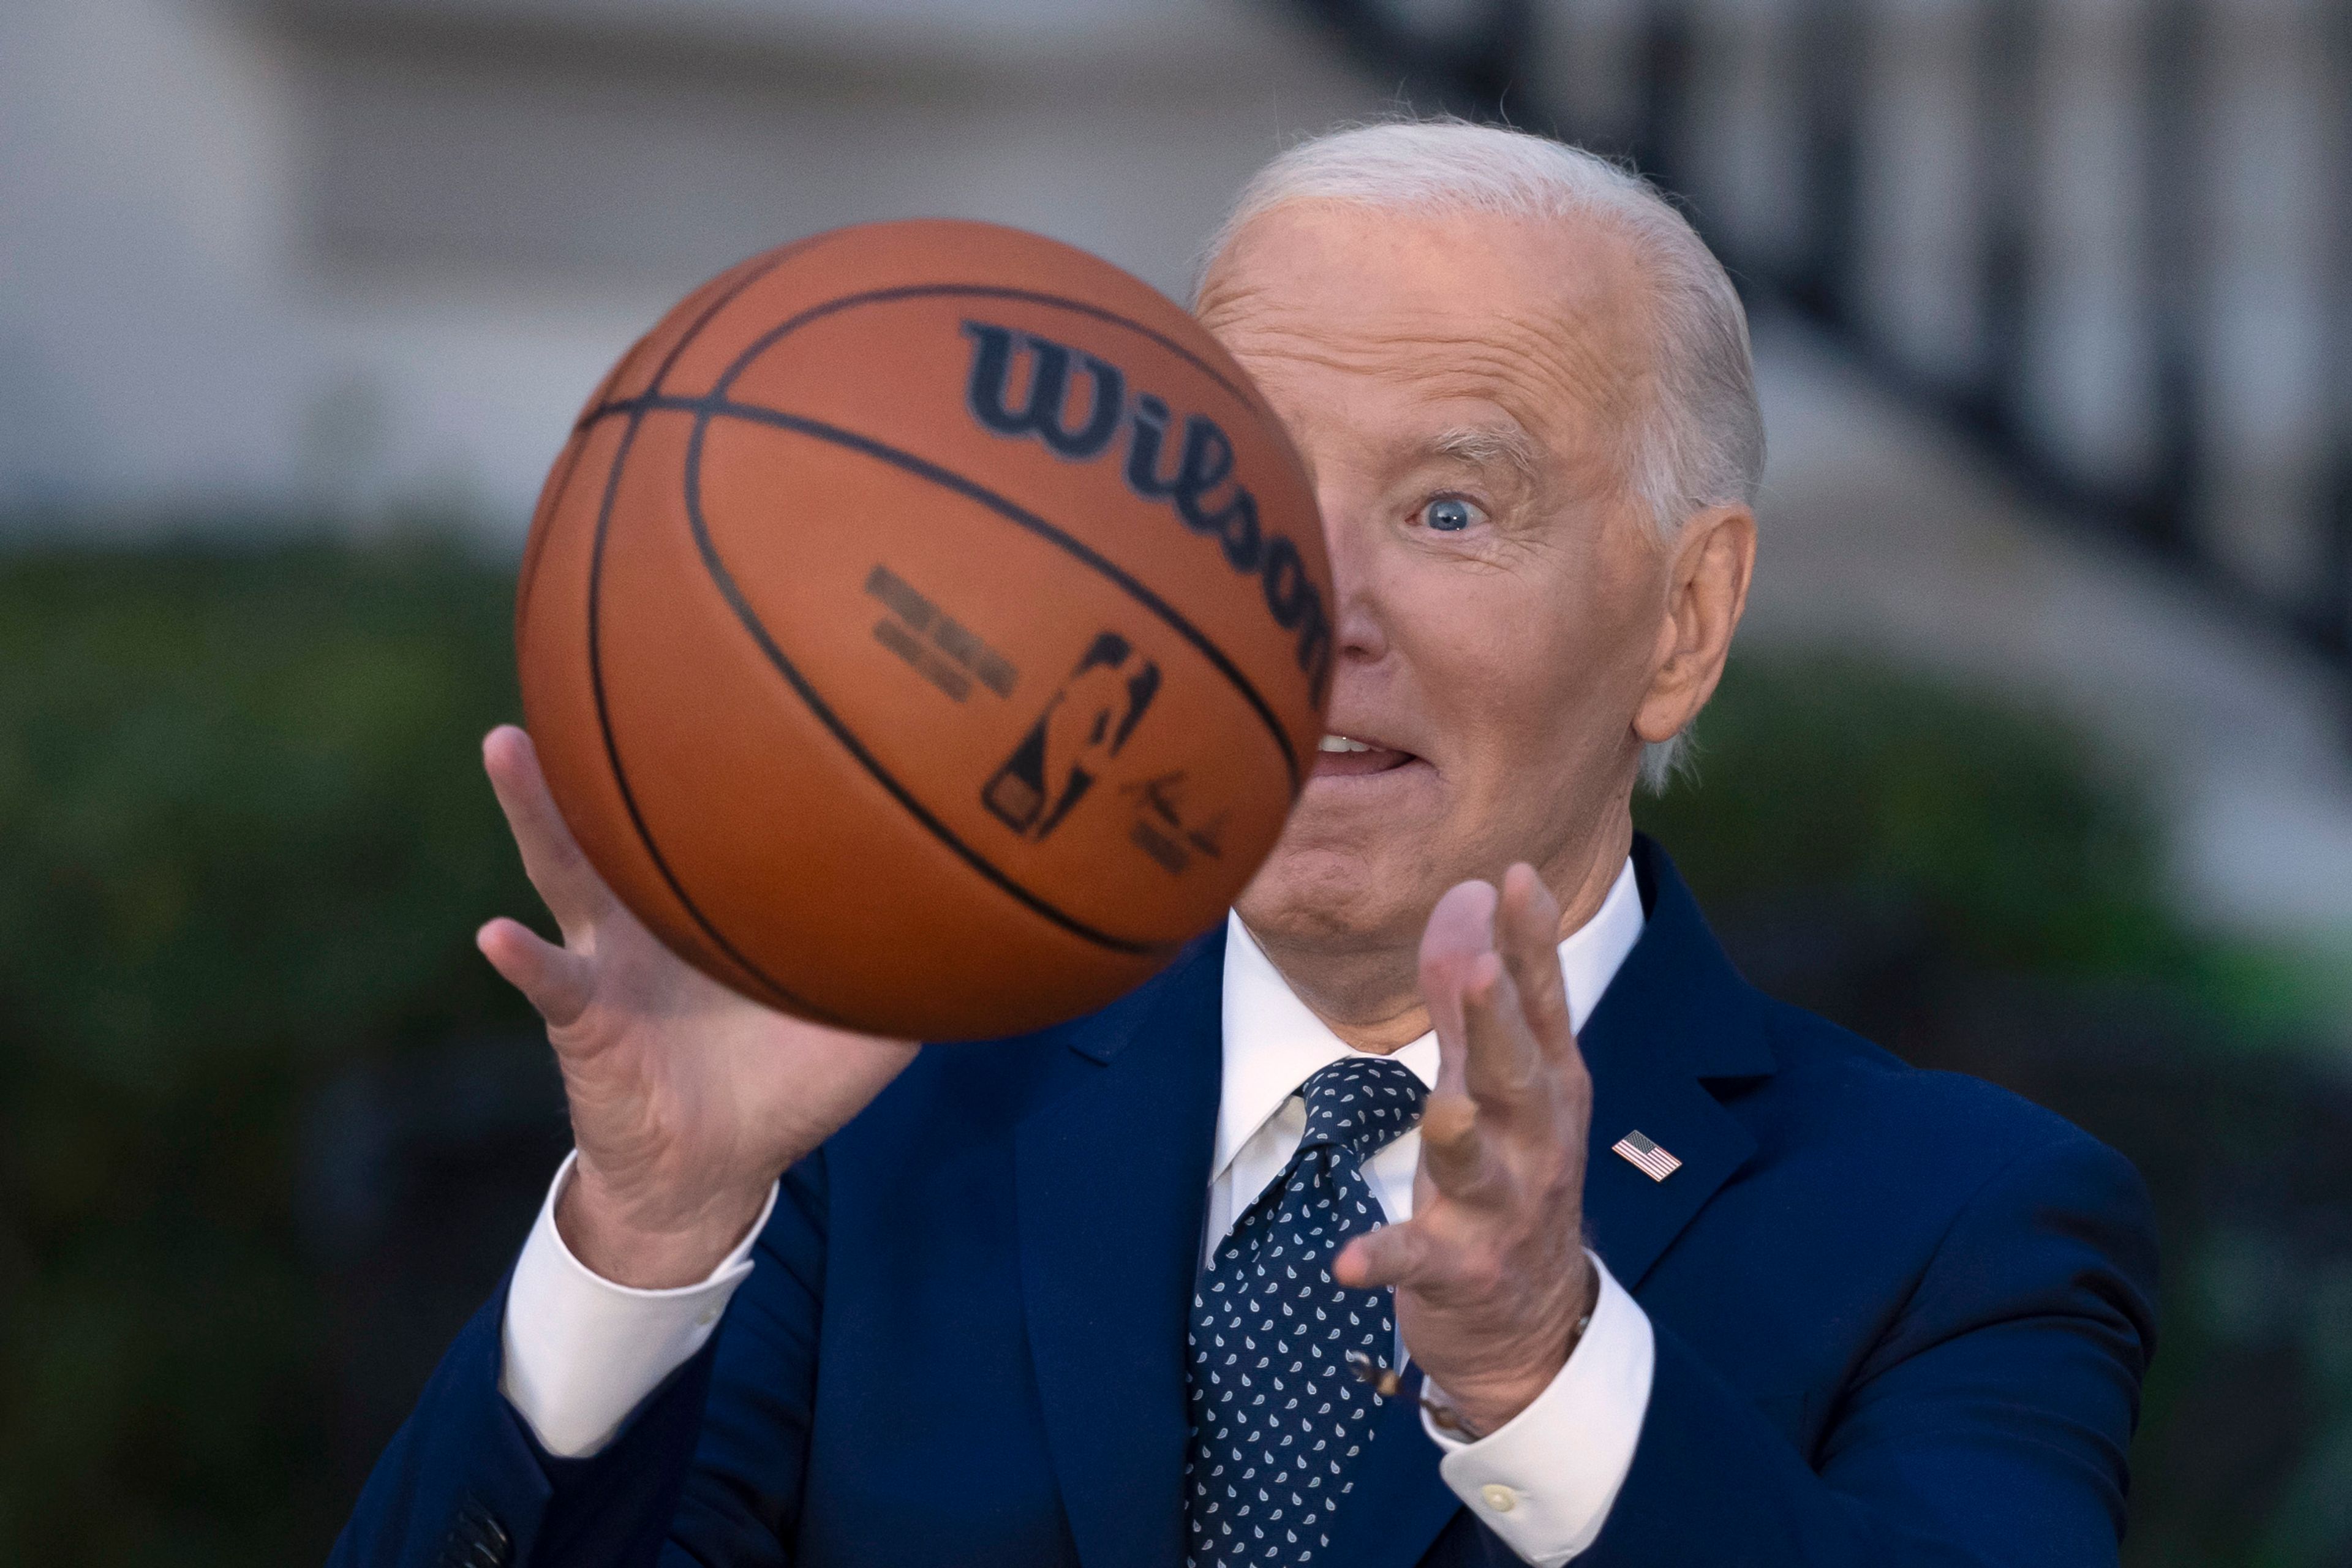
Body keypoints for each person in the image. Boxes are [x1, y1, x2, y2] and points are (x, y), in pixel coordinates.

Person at [333, 119, 2157, 1568]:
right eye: (1250, 496)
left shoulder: (1963, 1228)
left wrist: (1543, 1380)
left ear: (1686, 619)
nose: (1308, 611)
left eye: (1451, 507)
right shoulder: (870, 1125)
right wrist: (649, 1244)